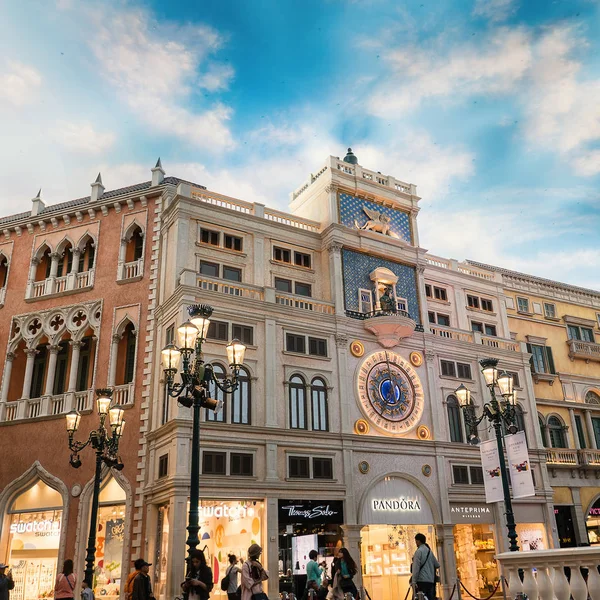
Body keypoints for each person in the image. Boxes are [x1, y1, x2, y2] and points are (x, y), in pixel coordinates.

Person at [411, 533, 440, 600]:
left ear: (418, 541)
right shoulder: (429, 551)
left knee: (421, 598)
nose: (416, 543)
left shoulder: (418, 552)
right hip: (430, 581)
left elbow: (416, 568)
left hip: (421, 581)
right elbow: (437, 564)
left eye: (416, 541)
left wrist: (413, 581)